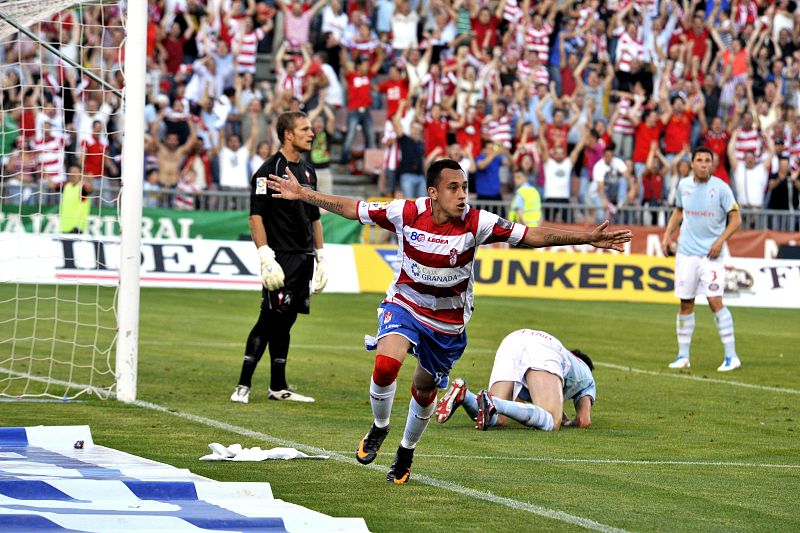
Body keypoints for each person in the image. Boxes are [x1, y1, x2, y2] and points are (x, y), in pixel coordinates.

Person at [265, 158, 631, 484]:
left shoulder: (477, 222)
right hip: (405, 304)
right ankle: (379, 428)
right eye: (453, 188)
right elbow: (351, 207)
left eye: (465, 188)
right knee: (385, 364)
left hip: (447, 325)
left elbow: (530, 235)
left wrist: (587, 237)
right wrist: (303, 193)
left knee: (424, 389)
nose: (462, 196)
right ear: (433, 192)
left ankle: (406, 451)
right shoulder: (406, 212)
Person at [230, 111, 328, 405]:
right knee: (269, 318)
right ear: (288, 134)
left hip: (304, 258)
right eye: (305, 129)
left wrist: (321, 256)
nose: (311, 133)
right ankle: (243, 385)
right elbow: (255, 216)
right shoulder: (269, 170)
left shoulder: (309, 172)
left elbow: (314, 218)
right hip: (281, 257)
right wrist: (265, 256)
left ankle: (278, 386)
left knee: (288, 320)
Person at [662, 147, 742, 372]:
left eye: (708, 160)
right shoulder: (684, 186)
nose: (704, 164)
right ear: (692, 163)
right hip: (686, 254)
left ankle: (731, 356)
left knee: (715, 301)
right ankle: (683, 356)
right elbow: (679, 210)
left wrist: (719, 242)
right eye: (700, 160)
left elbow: (736, 219)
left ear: (713, 164)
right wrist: (668, 234)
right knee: (685, 303)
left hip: (711, 256)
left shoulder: (721, 188)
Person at [435, 329, 595, 432]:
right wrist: (567, 421)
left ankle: (465, 395)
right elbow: (583, 421)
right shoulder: (587, 376)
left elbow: (518, 403)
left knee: (497, 418)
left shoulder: (568, 366)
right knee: (552, 421)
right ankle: (493, 402)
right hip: (545, 348)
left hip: (513, 340)